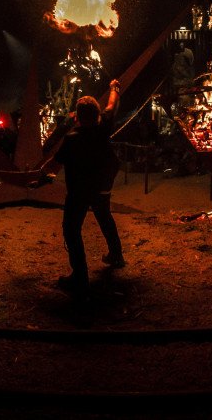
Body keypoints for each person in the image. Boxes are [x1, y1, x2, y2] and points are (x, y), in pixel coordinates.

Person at [49, 79, 125, 296]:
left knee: (71, 229)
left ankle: (80, 276)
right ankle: (116, 255)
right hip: (102, 186)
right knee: (104, 216)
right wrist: (114, 88)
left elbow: (55, 164)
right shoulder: (104, 126)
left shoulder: (72, 139)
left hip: (79, 192)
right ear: (97, 114)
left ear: (77, 117)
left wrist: (40, 177)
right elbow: (112, 105)